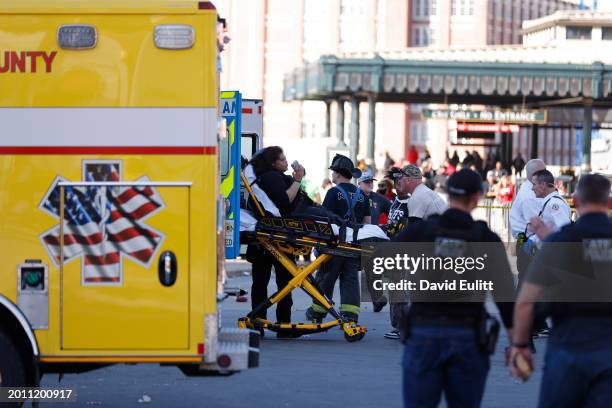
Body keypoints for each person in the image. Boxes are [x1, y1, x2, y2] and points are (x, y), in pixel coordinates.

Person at [395, 169, 515, 407]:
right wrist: (518, 345)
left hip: (423, 333)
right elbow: (505, 296)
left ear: (448, 194)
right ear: (477, 197)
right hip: (467, 336)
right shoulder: (485, 238)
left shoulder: (422, 231)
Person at [511, 174, 612, 407]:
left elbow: (525, 302)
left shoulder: (561, 243)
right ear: (609, 203)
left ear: (575, 200)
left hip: (568, 347)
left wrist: (520, 347)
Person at [383, 165, 447, 340]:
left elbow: (413, 230)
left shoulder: (416, 199)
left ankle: (402, 327)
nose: (399, 182)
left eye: (401, 178)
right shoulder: (432, 194)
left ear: (410, 180)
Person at [247, 146, 305, 336]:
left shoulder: (268, 178)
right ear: (273, 163)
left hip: (268, 236)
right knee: (283, 282)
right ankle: (282, 323)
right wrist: (297, 180)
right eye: (282, 159)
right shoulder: (271, 178)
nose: (286, 162)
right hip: (277, 237)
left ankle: (258, 322)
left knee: (262, 282)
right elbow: (285, 201)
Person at [305, 154, 370, 323]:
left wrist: (318, 245)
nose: (332, 175)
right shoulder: (363, 196)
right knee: (350, 281)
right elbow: (367, 223)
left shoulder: (333, 193)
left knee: (326, 278)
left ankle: (317, 313)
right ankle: (350, 316)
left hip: (333, 246)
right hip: (353, 247)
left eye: (333, 172)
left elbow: (324, 221)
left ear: (338, 174)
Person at [359, 170, 391, 312]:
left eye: (371, 181)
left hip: (374, 239)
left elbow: (393, 210)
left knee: (373, 270)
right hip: (356, 238)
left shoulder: (378, 198)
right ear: (358, 183)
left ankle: (377, 300)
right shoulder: (355, 197)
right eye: (366, 182)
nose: (370, 184)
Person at [509, 159, 546, 281]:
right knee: (529, 282)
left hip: (525, 241)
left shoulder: (529, 189)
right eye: (544, 171)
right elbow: (539, 225)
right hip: (529, 243)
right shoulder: (530, 196)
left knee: (527, 281)